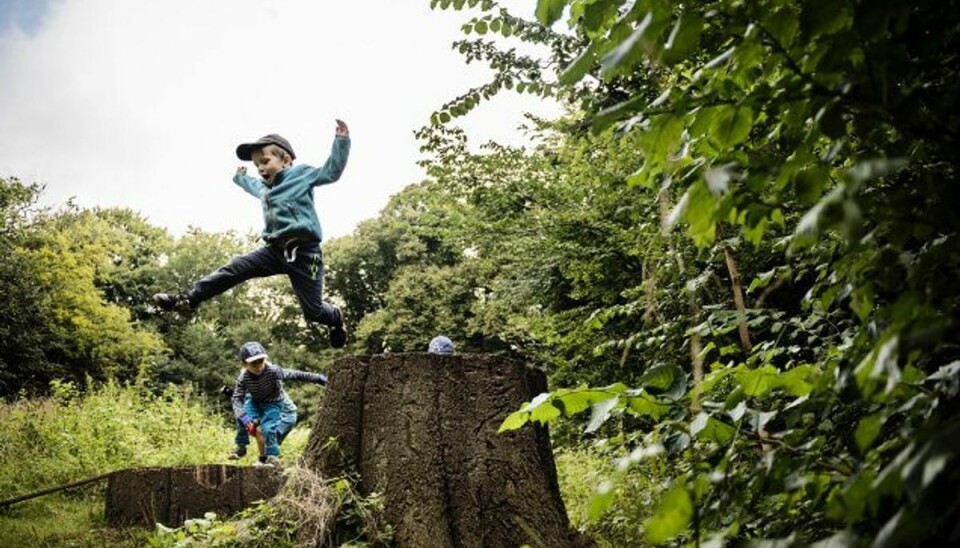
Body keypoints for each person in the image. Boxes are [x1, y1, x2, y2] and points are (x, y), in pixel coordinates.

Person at [154, 121, 351, 348]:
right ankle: (189, 299)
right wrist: (240, 178)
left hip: (305, 254)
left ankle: (335, 318)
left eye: (265, 161)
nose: (261, 169)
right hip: (274, 251)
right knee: (235, 268)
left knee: (313, 310)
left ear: (285, 160)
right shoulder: (264, 188)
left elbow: (331, 171)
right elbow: (252, 186)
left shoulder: (301, 175)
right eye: (257, 165)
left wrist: (341, 141)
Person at [231, 341, 327, 466]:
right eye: (253, 363)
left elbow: (296, 374)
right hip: (255, 401)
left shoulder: (273, 371)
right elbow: (237, 398)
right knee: (242, 418)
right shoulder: (243, 378)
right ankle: (241, 447)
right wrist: (243, 416)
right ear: (244, 364)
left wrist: (319, 379)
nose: (258, 366)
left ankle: (272, 455)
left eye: (260, 361)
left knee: (268, 428)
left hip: (273, 403)